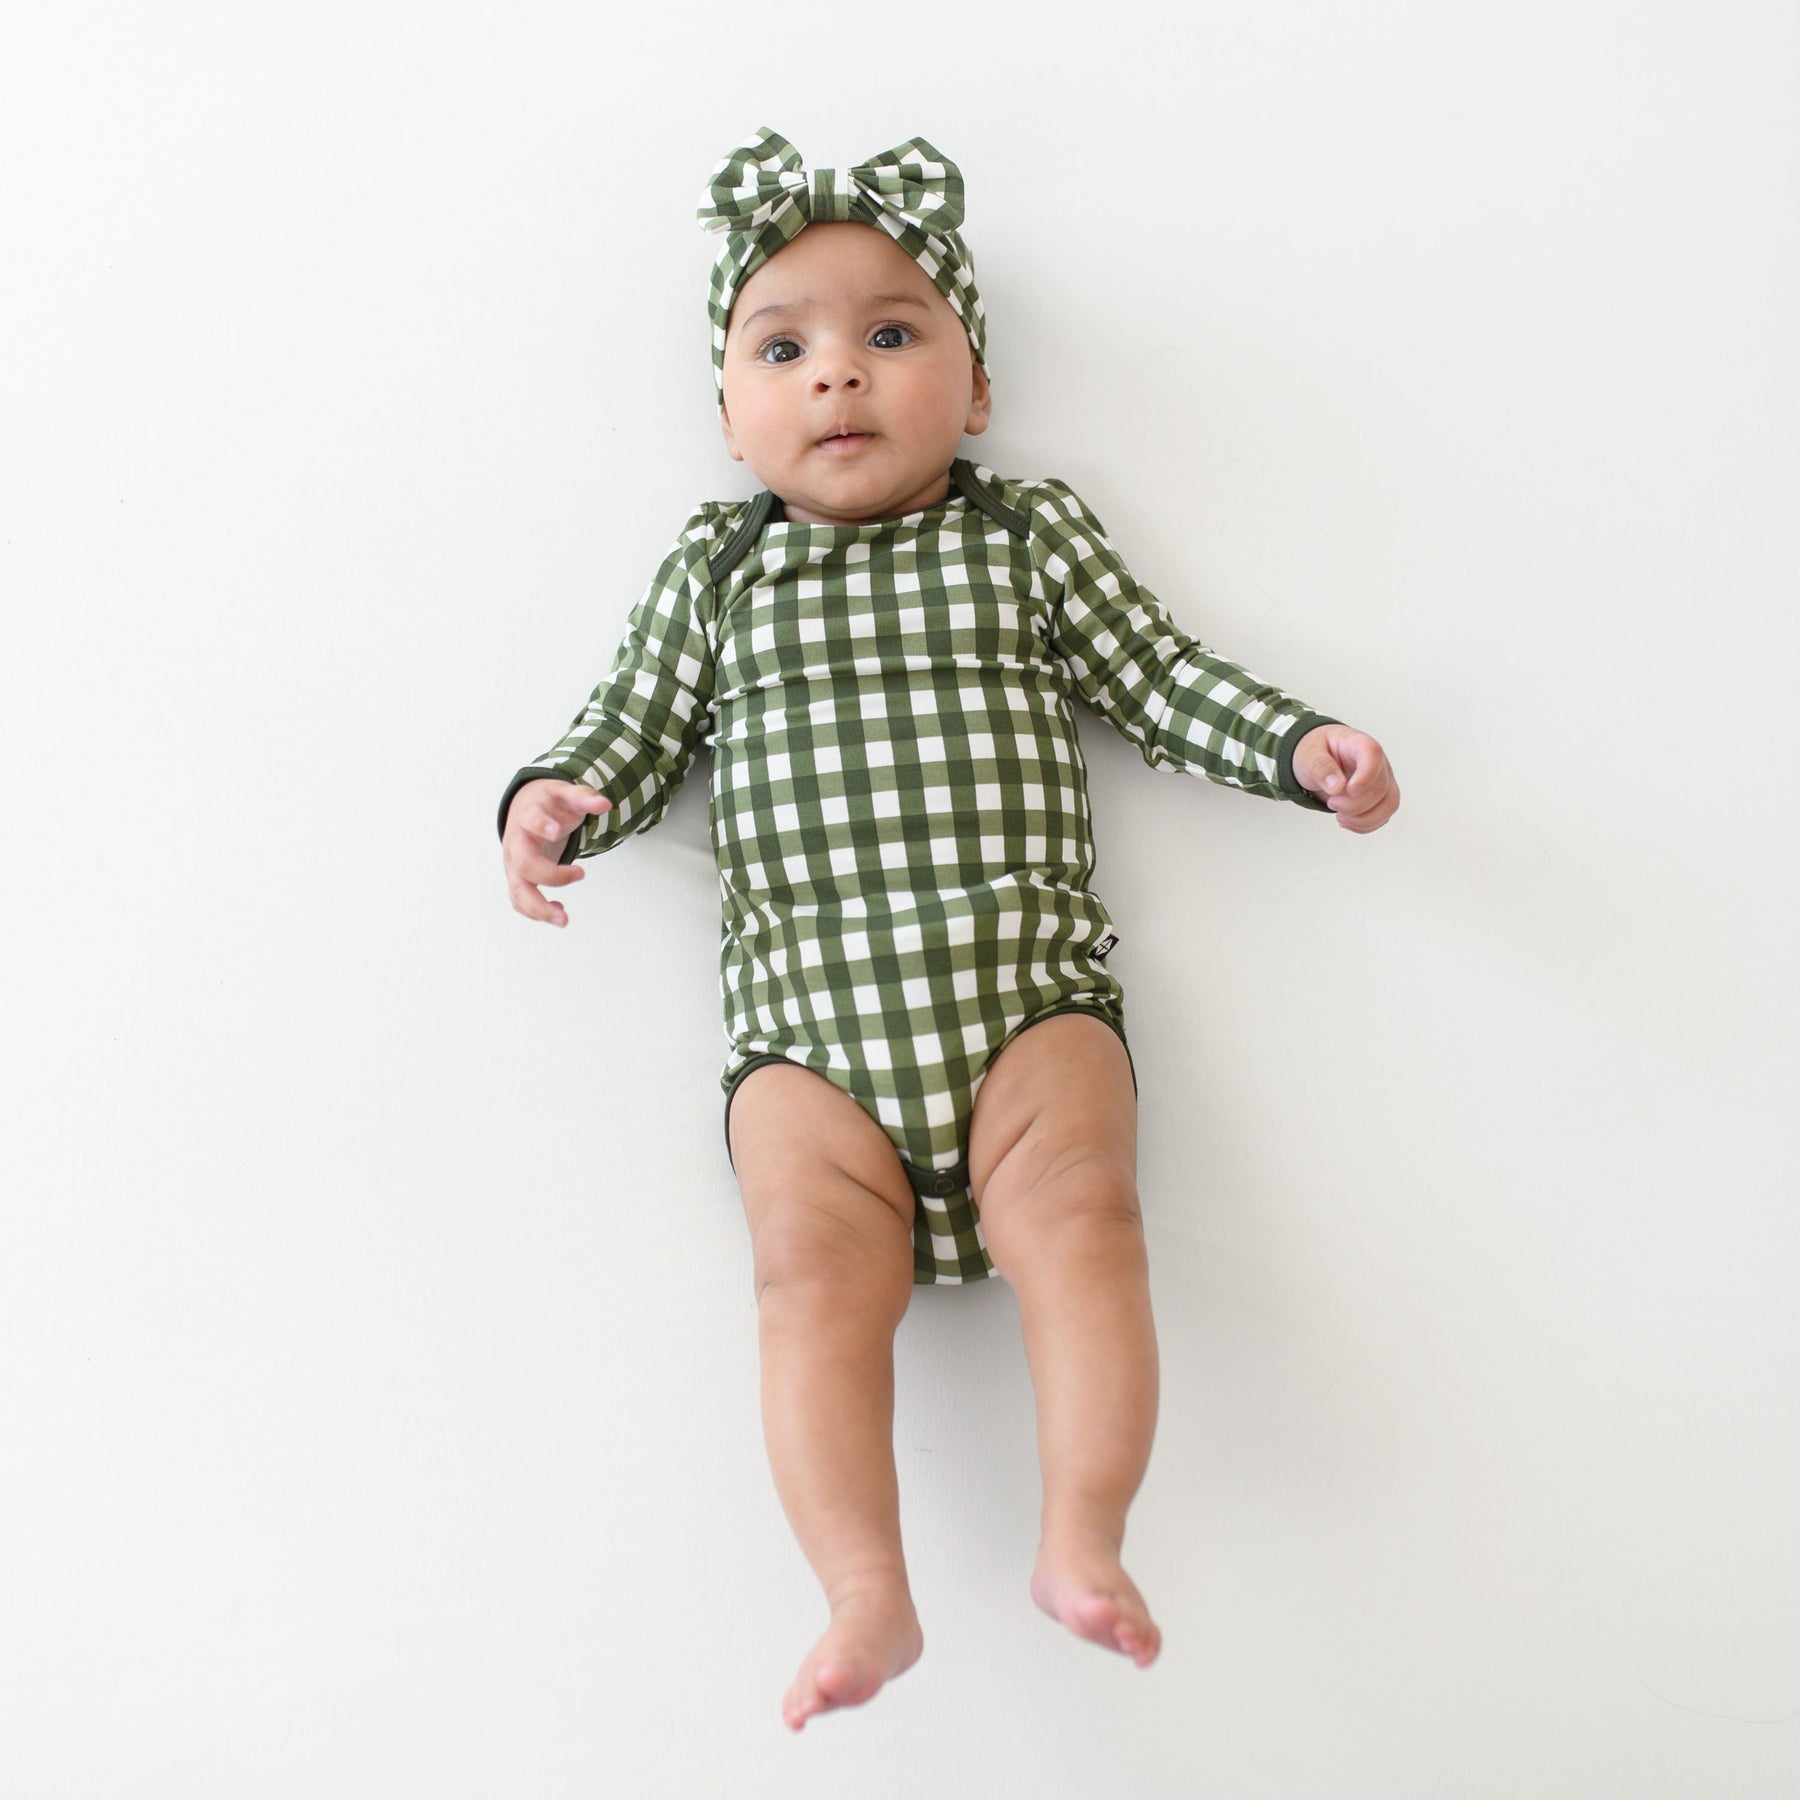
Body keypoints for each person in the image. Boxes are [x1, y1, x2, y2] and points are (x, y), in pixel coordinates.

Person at [497, 127, 1400, 1732]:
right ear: (729, 417)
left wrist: (1296, 745)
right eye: (783, 349)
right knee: (804, 1280)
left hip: (1024, 1000)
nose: (838, 374)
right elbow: (631, 726)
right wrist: (561, 798)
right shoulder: (718, 571)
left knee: (1086, 1218)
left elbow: (1161, 678)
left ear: (975, 388)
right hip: (810, 1033)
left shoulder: (1028, 537)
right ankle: (864, 1586)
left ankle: (1085, 1532)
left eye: (891, 333)